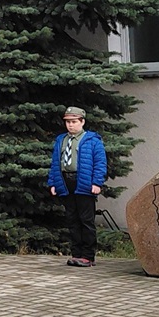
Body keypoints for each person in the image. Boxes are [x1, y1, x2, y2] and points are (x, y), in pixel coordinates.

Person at [46, 106, 107, 268]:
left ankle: (88, 255)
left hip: (85, 183)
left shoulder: (92, 140)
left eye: (74, 122)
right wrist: (53, 183)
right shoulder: (61, 140)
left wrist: (96, 183)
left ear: (82, 122)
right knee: (72, 219)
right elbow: (55, 163)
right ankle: (76, 253)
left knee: (86, 220)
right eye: (68, 122)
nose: (70, 125)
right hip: (66, 182)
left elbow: (100, 163)